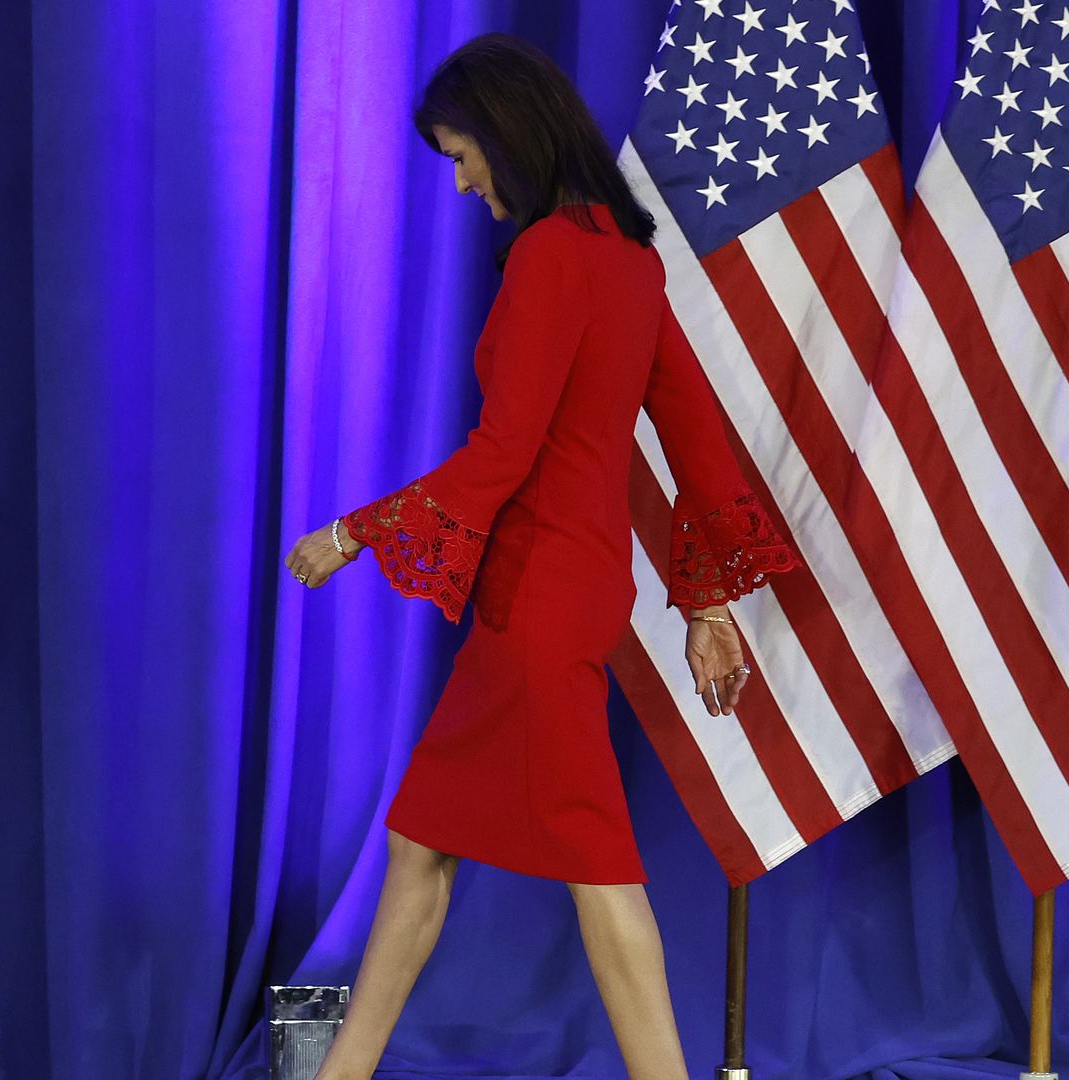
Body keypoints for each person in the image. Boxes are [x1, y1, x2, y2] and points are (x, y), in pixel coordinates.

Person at [281, 32, 800, 1080]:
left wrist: (356, 530)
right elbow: (694, 431)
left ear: (510, 136)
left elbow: (503, 449)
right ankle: (344, 1073)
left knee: (595, 860)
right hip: (572, 589)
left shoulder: (551, 257)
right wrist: (703, 606)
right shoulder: (629, 262)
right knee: (424, 837)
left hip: (536, 597)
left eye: (463, 154)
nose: (465, 181)